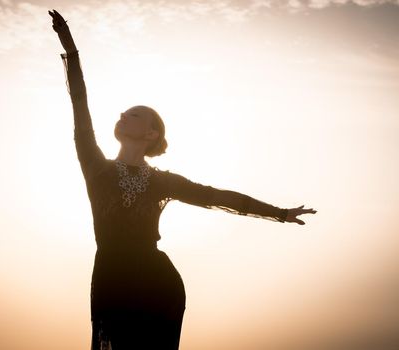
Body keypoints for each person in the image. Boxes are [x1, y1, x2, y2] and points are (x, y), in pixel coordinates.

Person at [48, 9, 317, 350]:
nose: (121, 116)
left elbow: (218, 195)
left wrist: (280, 212)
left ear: (150, 133)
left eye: (133, 114)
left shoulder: (164, 182)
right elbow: (79, 103)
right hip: (110, 281)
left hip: (159, 286)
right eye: (122, 113)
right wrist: (70, 49)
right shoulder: (96, 167)